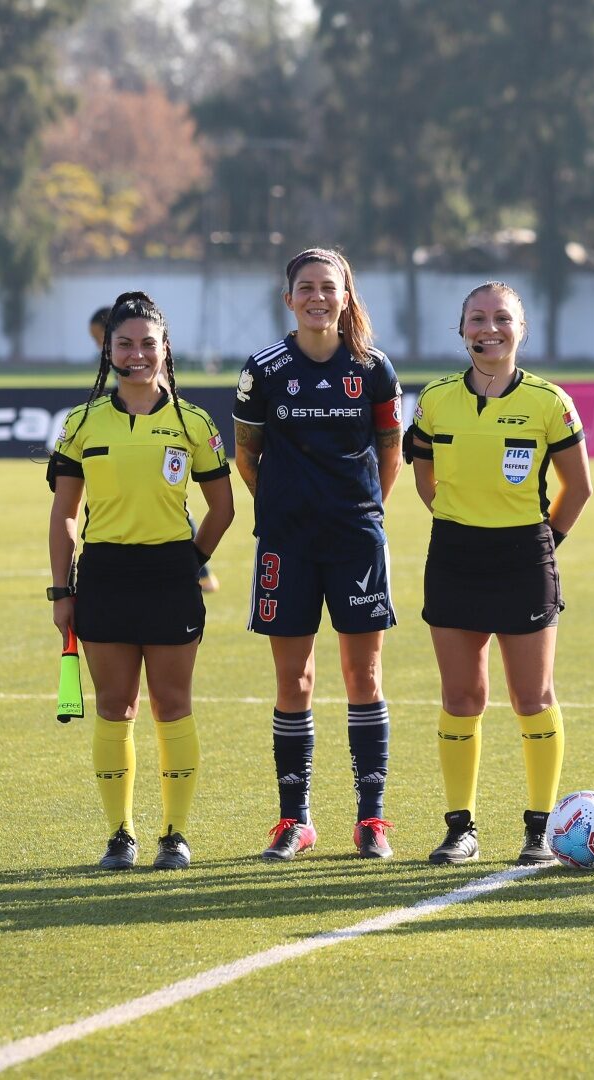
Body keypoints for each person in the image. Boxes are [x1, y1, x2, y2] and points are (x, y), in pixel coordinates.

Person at [404, 281, 592, 865]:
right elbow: (424, 477)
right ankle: (460, 827)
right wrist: (462, 523)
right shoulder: (435, 399)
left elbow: (578, 487)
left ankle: (539, 829)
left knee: (532, 697)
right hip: (454, 557)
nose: (490, 329)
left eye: (502, 318)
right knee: (462, 696)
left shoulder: (549, 401)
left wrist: (543, 544)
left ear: (521, 329)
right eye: (477, 319)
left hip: (524, 559)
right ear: (461, 330)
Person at [48, 291, 234, 871]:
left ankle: (175, 835)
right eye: (123, 344)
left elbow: (223, 507)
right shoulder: (82, 423)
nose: (136, 354)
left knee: (172, 705)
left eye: (147, 344)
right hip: (103, 577)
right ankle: (120, 835)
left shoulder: (192, 421)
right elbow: (64, 515)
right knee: (114, 705)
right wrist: (62, 590)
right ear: (108, 350)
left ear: (164, 350)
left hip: (169, 578)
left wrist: (188, 560)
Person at [233, 248, 404, 861]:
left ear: (346, 296)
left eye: (328, 287)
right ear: (289, 299)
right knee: (294, 678)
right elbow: (246, 454)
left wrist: (360, 511)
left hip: (356, 541)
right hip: (287, 542)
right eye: (305, 287)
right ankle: (295, 819)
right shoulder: (264, 369)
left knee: (363, 675)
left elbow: (390, 451)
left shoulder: (374, 368)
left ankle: (371, 820)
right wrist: (285, 506)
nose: (316, 297)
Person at [93, 305, 220, 595]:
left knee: (169, 502)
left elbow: (223, 508)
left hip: (160, 439)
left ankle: (201, 570)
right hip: (109, 567)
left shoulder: (150, 369)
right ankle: (201, 571)